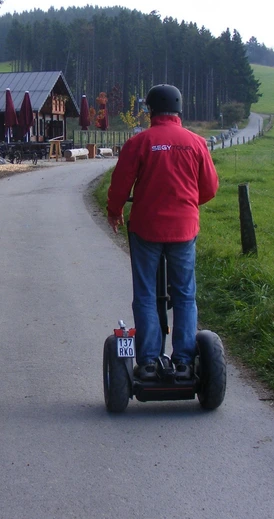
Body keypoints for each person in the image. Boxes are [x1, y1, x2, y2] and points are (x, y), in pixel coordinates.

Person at [106, 84, 219, 381]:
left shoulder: (140, 142)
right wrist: (187, 205)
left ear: (150, 110)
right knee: (184, 295)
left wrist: (115, 211)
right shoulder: (196, 143)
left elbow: (120, 184)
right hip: (183, 229)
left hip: (146, 228)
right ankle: (183, 361)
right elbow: (209, 189)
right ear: (179, 110)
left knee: (145, 293)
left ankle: (148, 361)